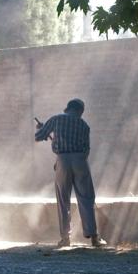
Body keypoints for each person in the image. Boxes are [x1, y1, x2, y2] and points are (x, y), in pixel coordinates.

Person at [35, 98, 107, 248]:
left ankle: (65, 238)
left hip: (62, 160)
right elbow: (86, 149)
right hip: (81, 161)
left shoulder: (56, 119)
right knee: (86, 198)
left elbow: (39, 136)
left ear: (67, 109)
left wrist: (41, 128)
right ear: (80, 111)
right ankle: (93, 237)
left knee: (63, 199)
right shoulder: (84, 125)